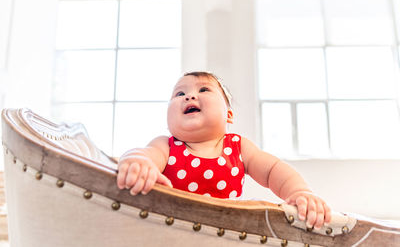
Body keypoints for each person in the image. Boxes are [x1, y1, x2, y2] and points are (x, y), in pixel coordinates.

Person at [117, 71, 331, 229]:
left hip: (225, 232)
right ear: (168, 119)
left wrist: (299, 192)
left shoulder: (238, 147)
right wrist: (137, 161)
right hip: (174, 230)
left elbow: (273, 170)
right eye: (179, 93)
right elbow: (146, 155)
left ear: (228, 115)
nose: (189, 96)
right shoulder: (166, 146)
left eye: (203, 90)